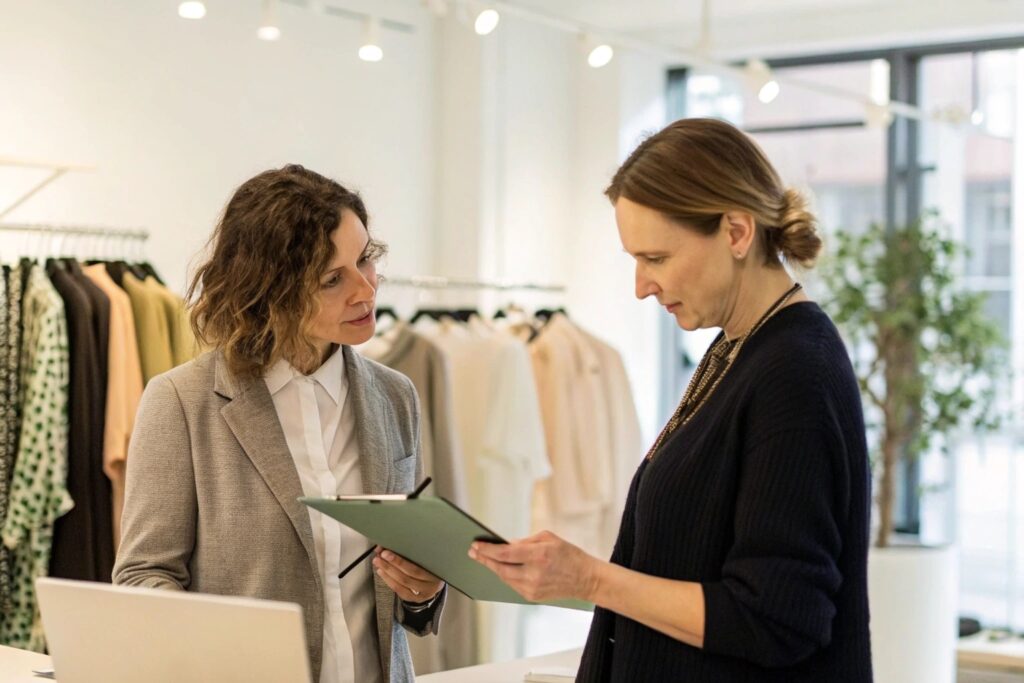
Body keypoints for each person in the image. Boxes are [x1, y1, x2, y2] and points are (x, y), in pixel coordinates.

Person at [470, 118, 872, 681]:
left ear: (736, 232)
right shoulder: (738, 348)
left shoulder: (793, 373)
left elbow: (779, 616)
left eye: (656, 258)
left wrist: (589, 577)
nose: (641, 285)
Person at [113, 165, 446, 683]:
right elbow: (142, 576)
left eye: (365, 261)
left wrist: (423, 591)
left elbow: (403, 594)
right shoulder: (181, 402)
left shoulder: (395, 396)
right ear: (269, 292)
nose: (365, 290)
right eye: (333, 279)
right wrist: (222, 645)